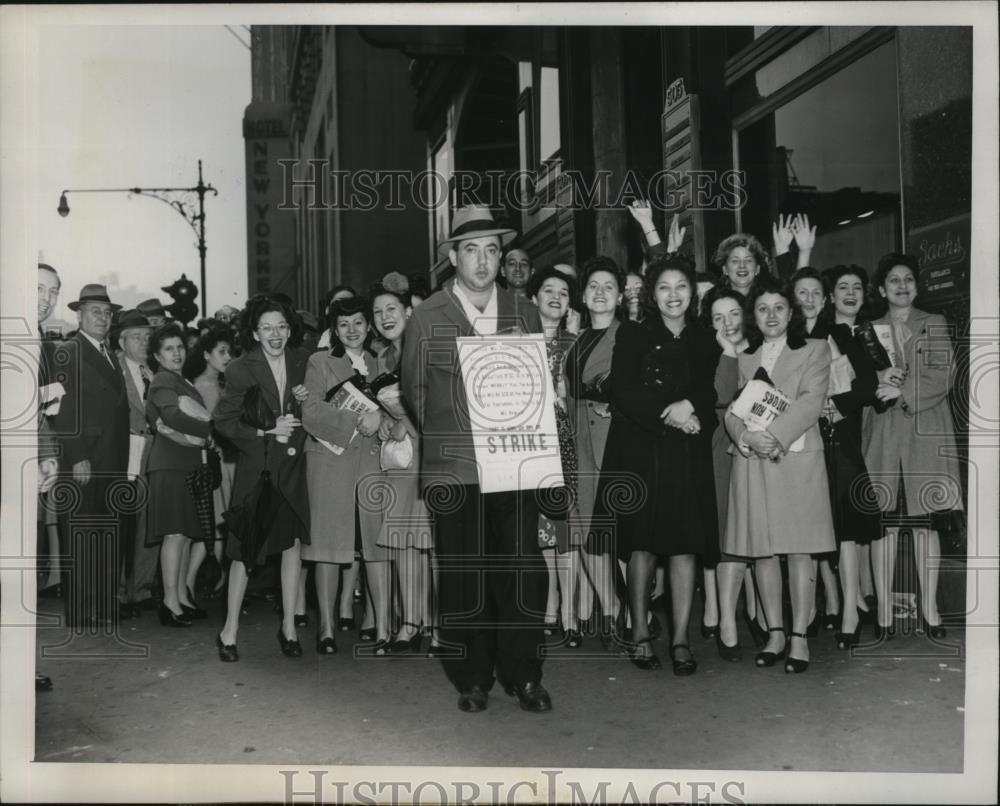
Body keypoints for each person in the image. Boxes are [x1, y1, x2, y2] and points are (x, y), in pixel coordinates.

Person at [401, 204, 551, 713]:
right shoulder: (425, 316)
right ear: (453, 257)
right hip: (457, 467)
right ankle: (472, 678)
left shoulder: (523, 309)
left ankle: (524, 674)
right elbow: (415, 392)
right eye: (472, 251)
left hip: (515, 462)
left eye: (492, 250)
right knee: (465, 574)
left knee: (521, 568)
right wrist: (464, 429)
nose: (483, 261)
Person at [597, 255, 720, 675]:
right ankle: (641, 633)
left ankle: (682, 639)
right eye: (664, 287)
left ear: (692, 293)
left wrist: (692, 405)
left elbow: (709, 388)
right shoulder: (632, 333)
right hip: (642, 448)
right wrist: (673, 410)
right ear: (653, 293)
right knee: (643, 545)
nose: (673, 295)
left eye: (681, 286)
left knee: (685, 545)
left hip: (686, 451)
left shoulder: (705, 338)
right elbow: (624, 391)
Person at [724, 277, 835, 673]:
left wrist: (772, 436)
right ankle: (774, 632)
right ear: (754, 316)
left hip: (797, 458)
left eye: (779, 308)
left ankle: (800, 636)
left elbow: (811, 403)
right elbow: (734, 411)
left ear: (792, 312)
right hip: (754, 460)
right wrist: (746, 436)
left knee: (799, 549)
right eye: (762, 309)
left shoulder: (816, 349)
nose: (771, 315)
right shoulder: (745, 358)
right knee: (763, 551)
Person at [863, 253, 962, 640]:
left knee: (925, 526)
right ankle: (885, 612)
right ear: (882, 288)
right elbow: (858, 379)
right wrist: (877, 383)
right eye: (893, 280)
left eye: (908, 279)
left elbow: (944, 374)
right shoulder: (868, 330)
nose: (901, 286)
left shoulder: (933, 324)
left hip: (924, 431)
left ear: (917, 286)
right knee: (883, 525)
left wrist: (902, 391)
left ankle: (930, 609)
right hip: (884, 433)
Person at [213, 296, 311, 661]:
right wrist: (267, 430)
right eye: (267, 328)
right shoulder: (240, 369)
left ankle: (288, 628)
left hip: (293, 469)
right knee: (244, 552)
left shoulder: (302, 361)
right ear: (254, 333)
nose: (276, 335)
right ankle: (229, 631)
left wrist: (304, 397)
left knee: (291, 547)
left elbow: (313, 405)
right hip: (258, 471)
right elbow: (224, 423)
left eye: (282, 327)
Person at [301, 296, 390, 656]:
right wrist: (357, 419)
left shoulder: (381, 362)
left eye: (358, 322)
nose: (352, 330)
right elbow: (311, 411)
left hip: (371, 461)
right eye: (344, 324)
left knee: (375, 543)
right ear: (334, 330)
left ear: (369, 326)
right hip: (329, 460)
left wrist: (382, 420)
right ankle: (326, 625)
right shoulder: (320, 361)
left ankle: (380, 622)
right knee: (328, 545)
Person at [50, 284, 129, 629]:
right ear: (79, 314)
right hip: (85, 460)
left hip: (111, 459)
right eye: (95, 311)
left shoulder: (109, 353)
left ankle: (104, 607)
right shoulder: (68, 349)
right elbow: (61, 408)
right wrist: (78, 454)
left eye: (107, 312)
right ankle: (82, 612)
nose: (102, 317)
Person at [562, 257, 627, 649]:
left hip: (614, 440)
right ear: (583, 296)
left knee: (621, 535)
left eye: (608, 286)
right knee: (585, 533)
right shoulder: (577, 338)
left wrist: (617, 405)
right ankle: (610, 610)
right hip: (578, 443)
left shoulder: (630, 336)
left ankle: (635, 613)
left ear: (620, 295)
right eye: (593, 286)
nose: (600, 292)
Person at [368, 283, 435, 654]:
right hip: (399, 462)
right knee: (405, 544)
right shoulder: (381, 360)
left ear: (408, 312)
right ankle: (410, 623)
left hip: (429, 456)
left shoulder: (424, 348)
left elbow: (439, 401)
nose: (385, 318)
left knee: (433, 542)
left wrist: (405, 423)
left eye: (391, 309)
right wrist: (380, 418)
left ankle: (440, 625)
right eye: (378, 313)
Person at [819, 265, 883, 647]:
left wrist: (841, 403)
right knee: (833, 523)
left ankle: (851, 607)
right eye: (842, 287)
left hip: (856, 433)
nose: (850, 293)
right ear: (831, 296)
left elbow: (876, 383)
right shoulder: (820, 332)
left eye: (857, 287)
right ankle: (842, 603)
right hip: (826, 432)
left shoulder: (873, 333)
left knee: (849, 524)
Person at [527, 267, 582, 646]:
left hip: (566, 442)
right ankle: (548, 605)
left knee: (564, 528)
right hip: (529, 446)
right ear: (533, 298)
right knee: (541, 529)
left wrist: (565, 394)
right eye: (548, 290)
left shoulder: (577, 345)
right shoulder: (516, 344)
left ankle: (571, 614)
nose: (555, 296)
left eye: (563, 292)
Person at [144, 323, 212, 627]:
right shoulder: (162, 380)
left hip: (185, 463)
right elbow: (172, 415)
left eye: (180, 347)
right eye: (169, 348)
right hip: (170, 464)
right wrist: (212, 429)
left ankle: (181, 597)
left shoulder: (178, 379)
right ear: (158, 355)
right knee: (174, 534)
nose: (177, 353)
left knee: (184, 535)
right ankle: (170, 602)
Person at [791, 266, 841, 631]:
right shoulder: (783, 335)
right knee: (797, 529)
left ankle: (831, 600)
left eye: (815, 294)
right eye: (801, 293)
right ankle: (805, 611)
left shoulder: (834, 334)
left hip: (828, 436)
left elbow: (856, 382)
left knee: (820, 525)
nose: (808, 299)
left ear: (825, 301)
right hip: (790, 437)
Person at [182, 328, 235, 601]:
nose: (227, 357)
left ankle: (217, 580)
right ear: (206, 355)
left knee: (220, 524)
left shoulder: (220, 384)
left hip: (226, 462)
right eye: (221, 352)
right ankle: (190, 581)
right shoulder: (205, 386)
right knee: (215, 523)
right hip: (219, 464)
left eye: (229, 352)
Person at [114, 309, 159, 619]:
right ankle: (116, 592)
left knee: (148, 523)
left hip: (152, 455)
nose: (143, 342)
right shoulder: (113, 369)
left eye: (147, 337)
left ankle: (141, 589)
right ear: (122, 341)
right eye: (136, 337)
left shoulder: (152, 371)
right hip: (124, 453)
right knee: (120, 524)